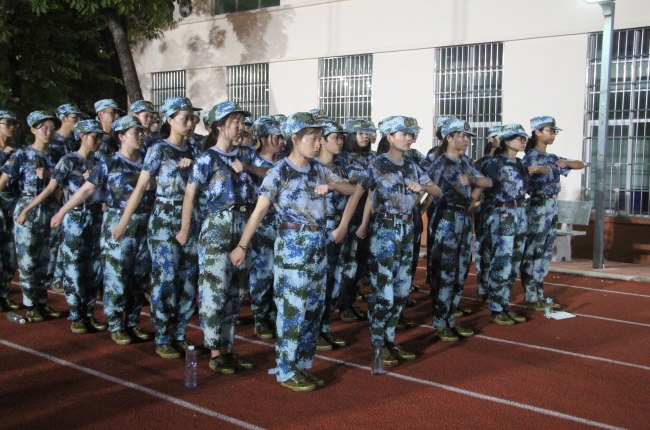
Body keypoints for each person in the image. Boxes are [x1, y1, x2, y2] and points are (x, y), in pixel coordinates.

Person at [231, 112, 354, 392]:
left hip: (318, 244)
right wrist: (242, 245)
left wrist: (332, 185)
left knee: (314, 308)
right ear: (295, 138)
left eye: (320, 138)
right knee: (292, 308)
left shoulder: (318, 168)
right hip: (293, 246)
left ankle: (302, 365)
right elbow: (259, 211)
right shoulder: (279, 171)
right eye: (313, 138)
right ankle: (286, 369)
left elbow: (350, 189)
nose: (318, 143)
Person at [177, 101, 268, 375]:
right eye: (234, 121)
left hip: (244, 223)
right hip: (218, 224)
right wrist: (185, 229)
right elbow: (190, 194)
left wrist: (248, 168)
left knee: (236, 292)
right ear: (218, 126)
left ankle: (228, 349)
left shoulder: (247, 155)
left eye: (242, 121)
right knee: (214, 290)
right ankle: (215, 351)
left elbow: (273, 174)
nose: (241, 126)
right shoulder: (207, 159)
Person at [340, 116, 441, 363]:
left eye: (411, 134)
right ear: (389, 137)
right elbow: (357, 195)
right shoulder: (376, 165)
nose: (409, 138)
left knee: (402, 289)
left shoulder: (412, 166)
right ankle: (378, 343)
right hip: (384, 229)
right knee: (382, 290)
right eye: (403, 134)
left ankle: (389, 339)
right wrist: (343, 226)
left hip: (407, 229)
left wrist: (423, 187)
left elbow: (438, 190)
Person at [51, 115, 154, 344]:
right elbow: (86, 190)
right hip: (118, 221)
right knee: (116, 275)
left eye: (141, 132)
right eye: (134, 132)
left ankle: (133, 322)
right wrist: (62, 212)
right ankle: (116, 324)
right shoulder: (109, 162)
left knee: (139, 278)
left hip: (145, 222)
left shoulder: (148, 161)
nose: (140, 136)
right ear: (121, 136)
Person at [113, 97, 201, 359]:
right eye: (185, 118)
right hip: (165, 217)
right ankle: (163, 335)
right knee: (165, 279)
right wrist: (123, 222)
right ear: (169, 120)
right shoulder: (158, 150)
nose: (190, 123)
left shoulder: (195, 150)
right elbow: (141, 187)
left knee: (188, 279)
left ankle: (180, 333)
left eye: (193, 118)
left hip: (191, 216)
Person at [17, 120, 107, 333]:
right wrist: (27, 209)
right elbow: (51, 189)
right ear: (82, 136)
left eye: (100, 137)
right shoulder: (68, 161)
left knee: (94, 268)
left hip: (95, 216)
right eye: (94, 136)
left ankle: (88, 313)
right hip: (75, 217)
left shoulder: (101, 161)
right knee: (74, 266)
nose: (98, 141)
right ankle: (76, 315)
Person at [428, 118, 491, 342]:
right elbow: (426, 190)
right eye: (461, 136)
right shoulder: (439, 164)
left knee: (461, 270)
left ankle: (451, 318)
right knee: (445, 271)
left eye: (467, 136)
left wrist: (473, 181)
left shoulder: (465, 162)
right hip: (446, 217)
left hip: (463, 217)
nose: (466, 140)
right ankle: (440, 320)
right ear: (449, 137)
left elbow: (488, 182)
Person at [0, 111, 63, 322]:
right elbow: (3, 181)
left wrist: (51, 176)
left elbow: (63, 184)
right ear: (33, 130)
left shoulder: (57, 155)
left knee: (49, 258)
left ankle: (42, 301)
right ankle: (30, 304)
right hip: (28, 206)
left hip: (51, 207)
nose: (48, 132)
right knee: (28, 258)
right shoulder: (22, 155)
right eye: (43, 128)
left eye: (52, 128)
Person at [521, 116, 585, 311]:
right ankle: (531, 295)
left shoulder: (551, 157)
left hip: (551, 205)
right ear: (537, 132)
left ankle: (538, 294)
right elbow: (530, 174)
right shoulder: (530, 157)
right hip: (538, 204)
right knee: (535, 250)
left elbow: (580, 164)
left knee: (545, 250)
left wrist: (566, 163)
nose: (553, 134)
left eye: (554, 131)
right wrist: (540, 169)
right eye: (550, 130)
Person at [482, 124, 533, 325]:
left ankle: (504, 304)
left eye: (524, 138)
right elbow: (485, 187)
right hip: (503, 214)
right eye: (518, 138)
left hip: (520, 213)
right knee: (502, 260)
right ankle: (496, 307)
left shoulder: (520, 163)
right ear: (506, 141)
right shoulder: (495, 163)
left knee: (514, 262)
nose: (523, 141)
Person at [313, 119, 357, 351]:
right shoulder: (312, 166)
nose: (340, 142)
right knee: (319, 282)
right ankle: (314, 330)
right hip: (321, 227)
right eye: (335, 138)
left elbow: (357, 188)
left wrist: (341, 183)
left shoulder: (341, 166)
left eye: (342, 138)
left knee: (335, 280)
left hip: (340, 225)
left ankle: (325, 327)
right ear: (322, 140)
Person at [337, 118, 377, 323]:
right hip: (348, 214)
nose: (365, 137)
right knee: (348, 263)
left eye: (367, 133)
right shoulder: (340, 159)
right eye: (360, 133)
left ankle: (351, 302)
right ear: (350, 136)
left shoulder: (372, 158)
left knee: (361, 262)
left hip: (368, 214)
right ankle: (342, 304)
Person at [248, 115, 283, 339]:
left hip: (281, 224)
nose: (280, 141)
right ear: (262, 138)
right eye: (275, 137)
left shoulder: (283, 163)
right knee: (262, 271)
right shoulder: (250, 161)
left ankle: (274, 315)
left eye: (281, 137)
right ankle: (260, 317)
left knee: (278, 272)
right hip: (261, 223)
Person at [474, 125, 502, 303]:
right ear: (491, 139)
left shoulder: (514, 162)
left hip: (507, 213)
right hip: (487, 209)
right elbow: (474, 186)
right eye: (500, 136)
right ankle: (483, 287)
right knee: (484, 249)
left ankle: (497, 290)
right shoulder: (484, 162)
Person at [0, 110, 20, 312]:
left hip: (12, 202)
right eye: (7, 123)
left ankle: (4, 294)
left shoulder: (16, 150)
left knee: (9, 253)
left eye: (14, 124)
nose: (11, 127)